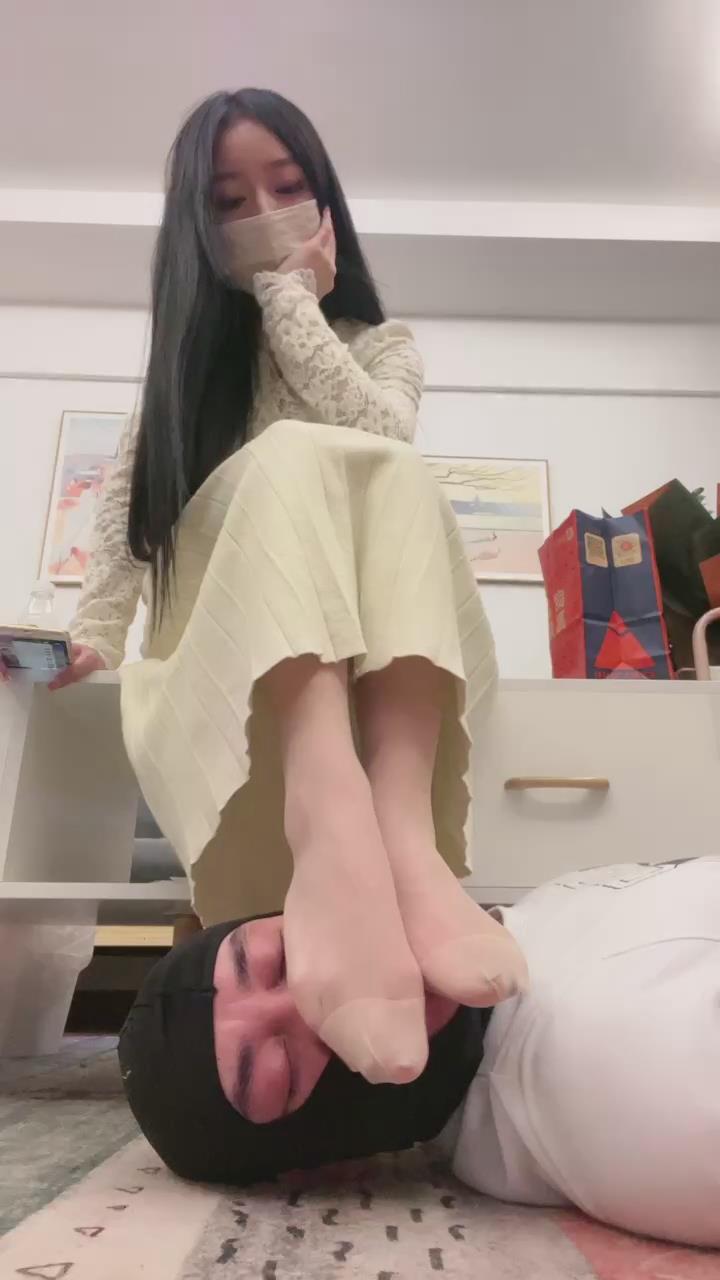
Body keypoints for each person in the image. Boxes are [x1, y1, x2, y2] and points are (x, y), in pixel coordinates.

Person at [6, 88, 527, 1081]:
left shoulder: (385, 345)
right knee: (293, 455)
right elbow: (122, 536)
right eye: (230, 201)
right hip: (221, 678)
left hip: (371, 675)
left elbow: (379, 437)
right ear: (196, 231)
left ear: (327, 204)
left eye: (287, 189)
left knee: (392, 469)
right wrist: (93, 634)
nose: (264, 215)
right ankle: (330, 816)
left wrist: (292, 302)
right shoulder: (180, 378)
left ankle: (398, 835)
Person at [119, 856, 720, 1250]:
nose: (315, 1000)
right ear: (334, 1165)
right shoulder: (633, 1082)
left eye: (279, 957)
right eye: (283, 1067)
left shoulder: (527, 927)